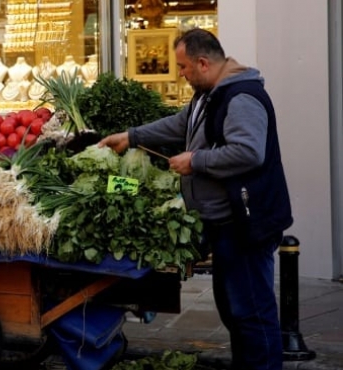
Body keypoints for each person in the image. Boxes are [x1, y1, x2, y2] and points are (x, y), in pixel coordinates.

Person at [98, 28, 291, 370]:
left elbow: (248, 152)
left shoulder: (240, 97)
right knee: (234, 309)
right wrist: (132, 136)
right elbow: (180, 125)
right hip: (225, 223)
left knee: (251, 312)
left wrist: (195, 161)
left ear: (203, 63)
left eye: (184, 67)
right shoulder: (208, 95)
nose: (182, 74)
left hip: (246, 222)